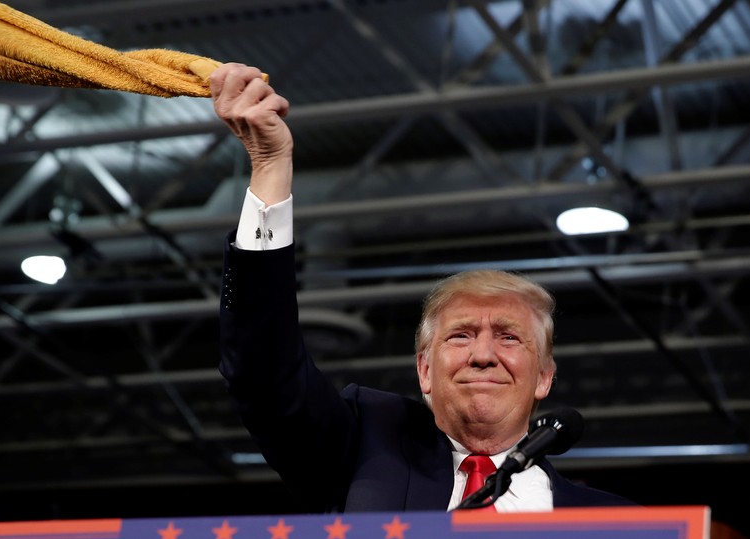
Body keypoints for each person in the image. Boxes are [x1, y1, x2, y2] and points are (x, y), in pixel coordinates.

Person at [211, 62, 636, 513]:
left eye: (509, 337)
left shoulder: (617, 522)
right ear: (424, 371)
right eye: (460, 335)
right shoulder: (363, 450)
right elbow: (264, 373)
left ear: (545, 377)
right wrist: (270, 164)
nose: (483, 354)